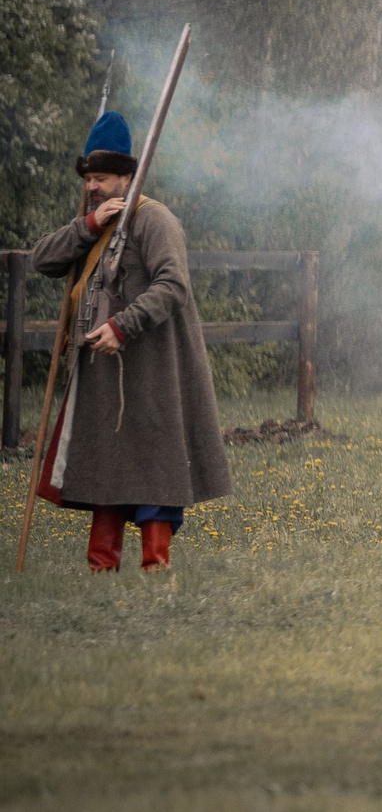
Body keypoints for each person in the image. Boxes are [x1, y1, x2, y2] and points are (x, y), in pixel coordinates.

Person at [29, 111, 234, 572]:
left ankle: (155, 566)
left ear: (129, 176)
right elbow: (43, 259)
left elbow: (173, 286)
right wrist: (88, 226)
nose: (93, 187)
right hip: (102, 372)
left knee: (157, 470)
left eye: (101, 178)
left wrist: (123, 325)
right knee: (105, 469)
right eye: (89, 179)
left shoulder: (156, 221)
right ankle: (102, 566)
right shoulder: (94, 223)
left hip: (155, 368)